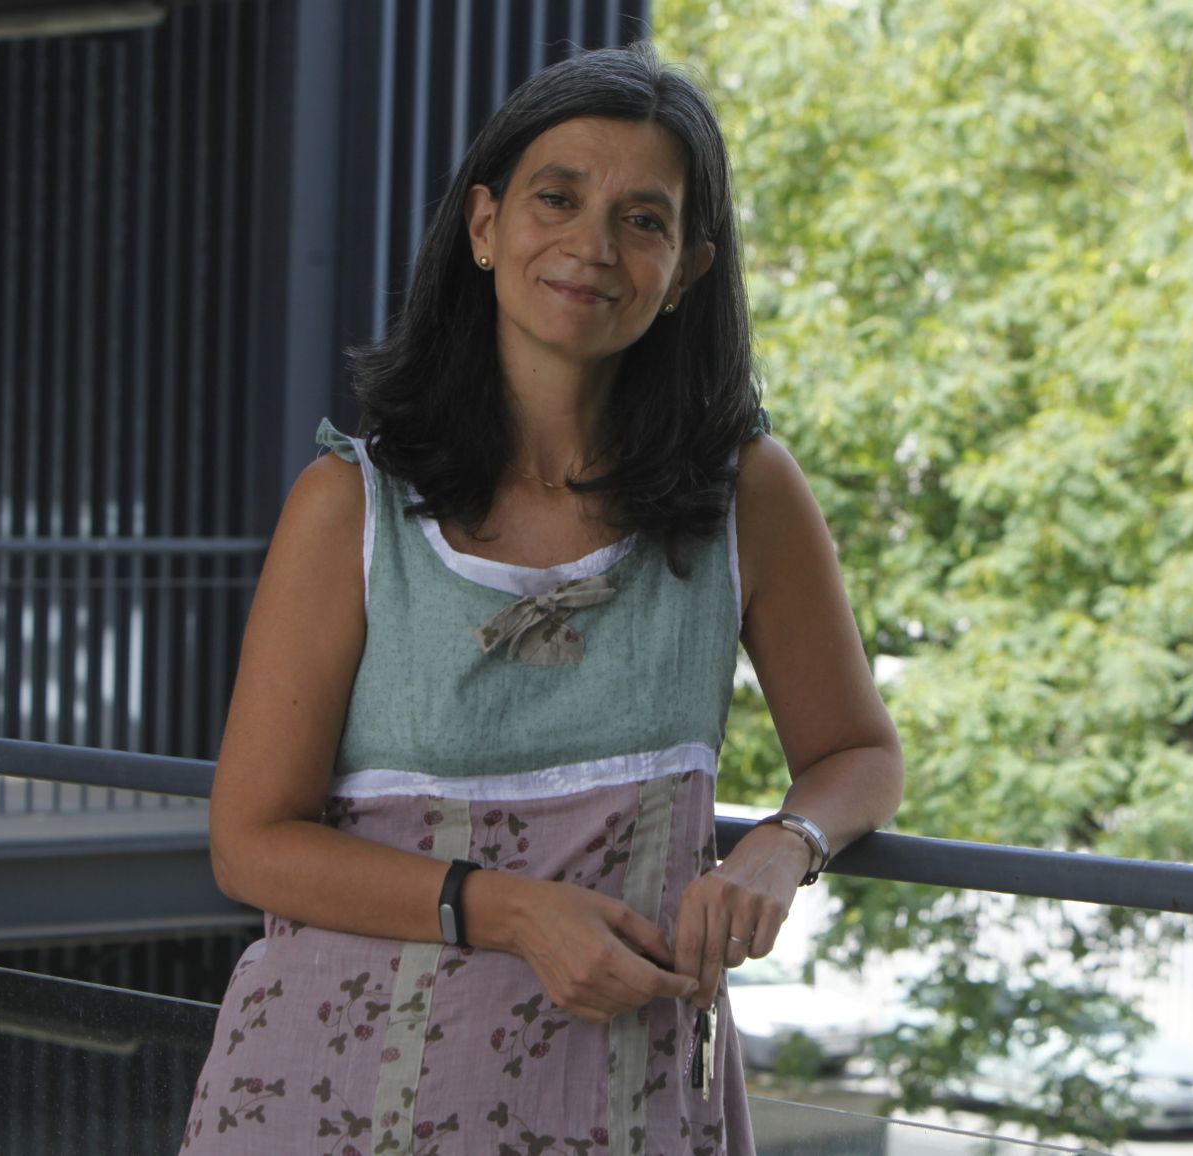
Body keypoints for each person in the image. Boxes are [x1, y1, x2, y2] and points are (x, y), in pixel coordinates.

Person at [180, 41, 903, 1156]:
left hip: (624, 1100)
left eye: (644, 220)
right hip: (327, 1097)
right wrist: (514, 910)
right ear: (484, 226)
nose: (593, 247)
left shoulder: (743, 493)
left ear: (688, 271)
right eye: (557, 198)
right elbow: (250, 842)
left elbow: (859, 751)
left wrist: (780, 845)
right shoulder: (349, 506)